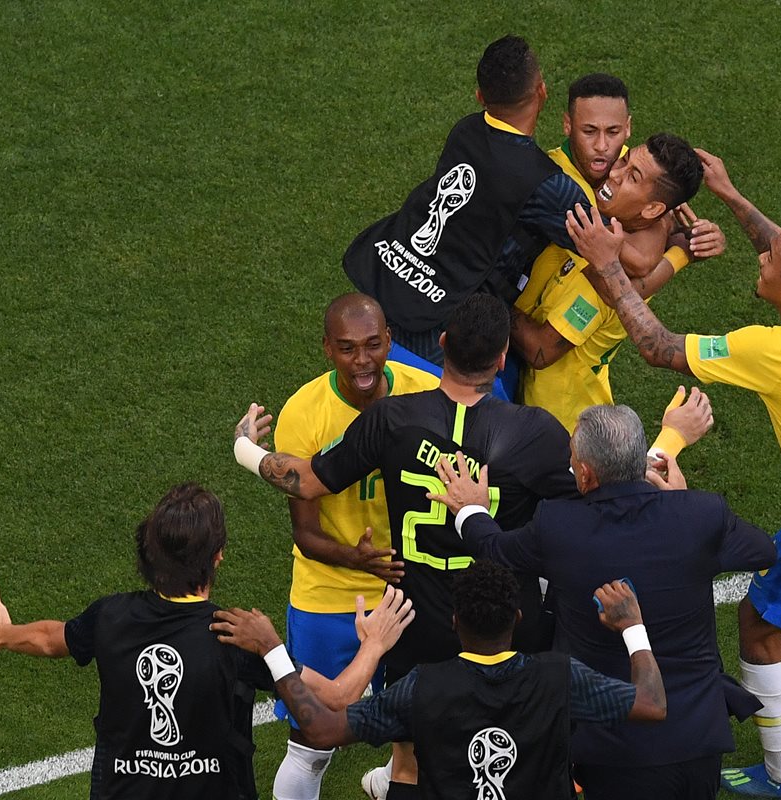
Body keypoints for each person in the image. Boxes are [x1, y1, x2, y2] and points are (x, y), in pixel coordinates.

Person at [565, 153, 781, 799]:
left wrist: (607, 261)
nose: (760, 258)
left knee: (759, 625)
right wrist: (731, 193)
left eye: (770, 265)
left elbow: (657, 346)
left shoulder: (775, 348)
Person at [231, 294, 577, 798]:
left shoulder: (392, 418)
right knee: (515, 747)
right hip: (503, 621)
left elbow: (304, 482)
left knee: (407, 758)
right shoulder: (535, 432)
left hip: (417, 618)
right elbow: (585, 504)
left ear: (439, 345)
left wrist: (246, 449)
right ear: (504, 358)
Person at [0, 483, 414, 800]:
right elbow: (334, 700)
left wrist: (4, 635)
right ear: (218, 557)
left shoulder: (111, 616)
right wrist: (373, 645)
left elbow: (52, 638)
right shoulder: (238, 636)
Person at [430, 405, 778, 800]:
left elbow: (495, 549)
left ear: (585, 474)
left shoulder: (559, 526)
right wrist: (682, 501)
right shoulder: (702, 514)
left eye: (573, 460)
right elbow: (763, 551)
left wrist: (469, 507)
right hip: (696, 737)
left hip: (614, 749)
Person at [212, 560, 668, 800]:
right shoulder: (560, 677)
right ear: (518, 618)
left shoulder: (419, 688)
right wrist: (632, 625)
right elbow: (652, 704)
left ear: (454, 621)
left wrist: (273, 648)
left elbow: (322, 729)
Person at [341, 34, 593, 394]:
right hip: (440, 346)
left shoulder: (466, 129)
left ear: (479, 97)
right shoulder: (550, 186)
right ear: (542, 91)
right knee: (485, 435)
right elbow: (612, 245)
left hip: (386, 307)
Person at [269, 294, 438, 800]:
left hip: (409, 586)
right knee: (312, 739)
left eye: (371, 345)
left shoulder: (426, 393)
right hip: (330, 590)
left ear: (390, 340)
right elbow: (306, 534)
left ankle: (390, 782)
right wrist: (358, 558)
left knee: (418, 730)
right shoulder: (303, 414)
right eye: (347, 349)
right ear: (326, 348)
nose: (362, 361)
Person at [510, 73, 725, 432]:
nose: (610, 163)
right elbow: (660, 222)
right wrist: (681, 250)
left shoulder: (605, 271)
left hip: (560, 416)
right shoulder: (626, 203)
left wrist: (487, 299)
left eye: (613, 135)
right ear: (567, 124)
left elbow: (541, 351)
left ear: (626, 128)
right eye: (589, 131)